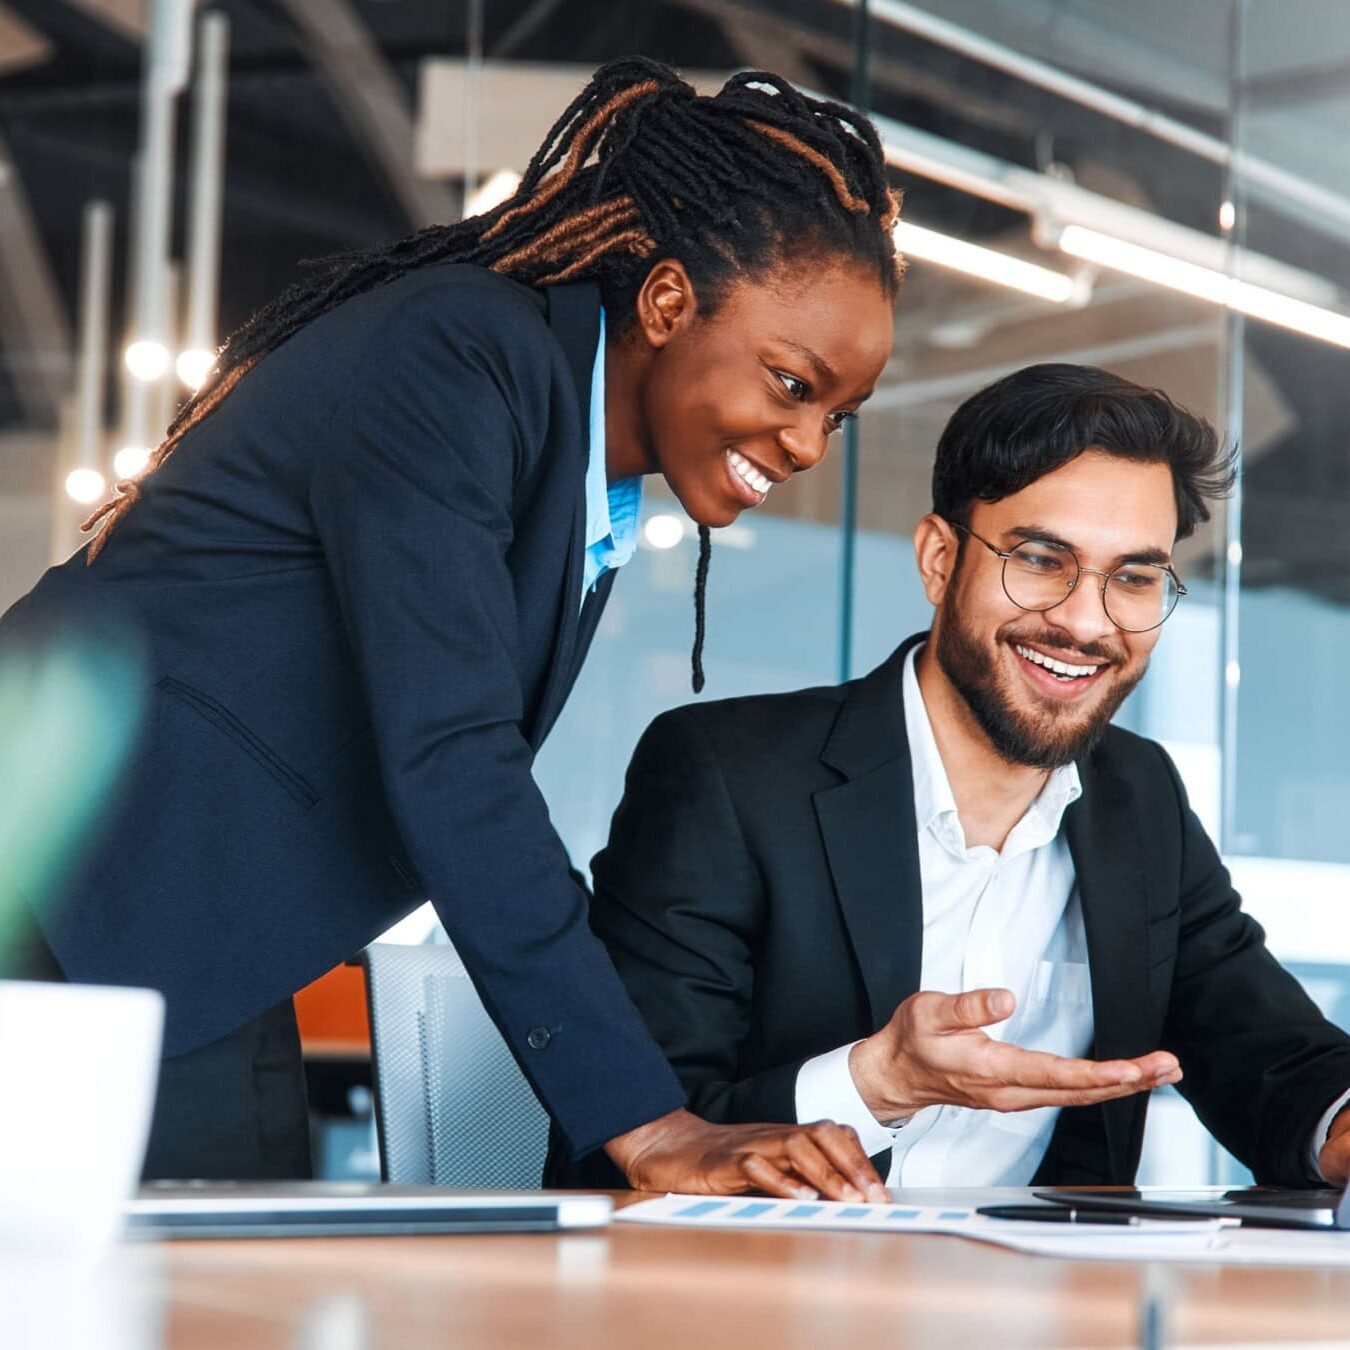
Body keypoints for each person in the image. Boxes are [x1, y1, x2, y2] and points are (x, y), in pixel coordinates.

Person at [0, 57, 903, 1201]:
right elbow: (453, 762)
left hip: (182, 928)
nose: (809, 443)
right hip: (56, 881)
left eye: (838, 413)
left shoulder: (580, 471)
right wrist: (648, 1119)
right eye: (790, 382)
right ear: (669, 304)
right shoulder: (460, 359)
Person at [551, 363, 1350, 1191]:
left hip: (1048, 1310)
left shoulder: (1136, 796)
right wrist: (874, 1083)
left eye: (1134, 577)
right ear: (939, 560)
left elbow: (1271, 1055)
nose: (1085, 621)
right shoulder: (726, 774)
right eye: (1042, 559)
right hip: (768, 1307)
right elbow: (625, 1135)